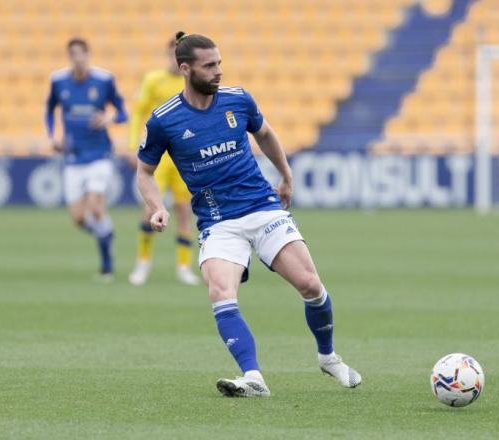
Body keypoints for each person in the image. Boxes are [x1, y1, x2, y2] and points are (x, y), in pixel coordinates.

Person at [136, 32, 362, 397]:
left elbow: (266, 134)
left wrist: (285, 177)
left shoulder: (238, 100)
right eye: (209, 66)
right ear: (185, 68)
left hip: (261, 207)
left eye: (220, 63)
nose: (218, 71)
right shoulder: (164, 121)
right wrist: (156, 206)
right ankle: (253, 378)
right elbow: (144, 171)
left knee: (310, 285)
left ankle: (328, 357)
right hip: (218, 221)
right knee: (220, 291)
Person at [46, 38, 127, 280]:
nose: (78, 58)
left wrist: (109, 119)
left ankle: (107, 266)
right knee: (79, 218)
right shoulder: (58, 81)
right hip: (73, 156)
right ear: (69, 56)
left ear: (88, 55)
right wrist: (53, 137)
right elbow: (49, 110)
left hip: (100, 154)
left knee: (96, 208)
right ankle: (106, 234)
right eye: (73, 54)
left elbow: (123, 112)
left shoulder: (103, 80)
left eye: (82, 53)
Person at [128, 38, 199, 286]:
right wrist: (131, 145)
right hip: (158, 157)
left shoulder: (191, 82)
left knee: (183, 210)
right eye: (172, 54)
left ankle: (183, 266)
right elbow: (138, 112)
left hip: (185, 156)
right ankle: (143, 263)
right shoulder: (153, 80)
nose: (174, 60)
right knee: (151, 209)